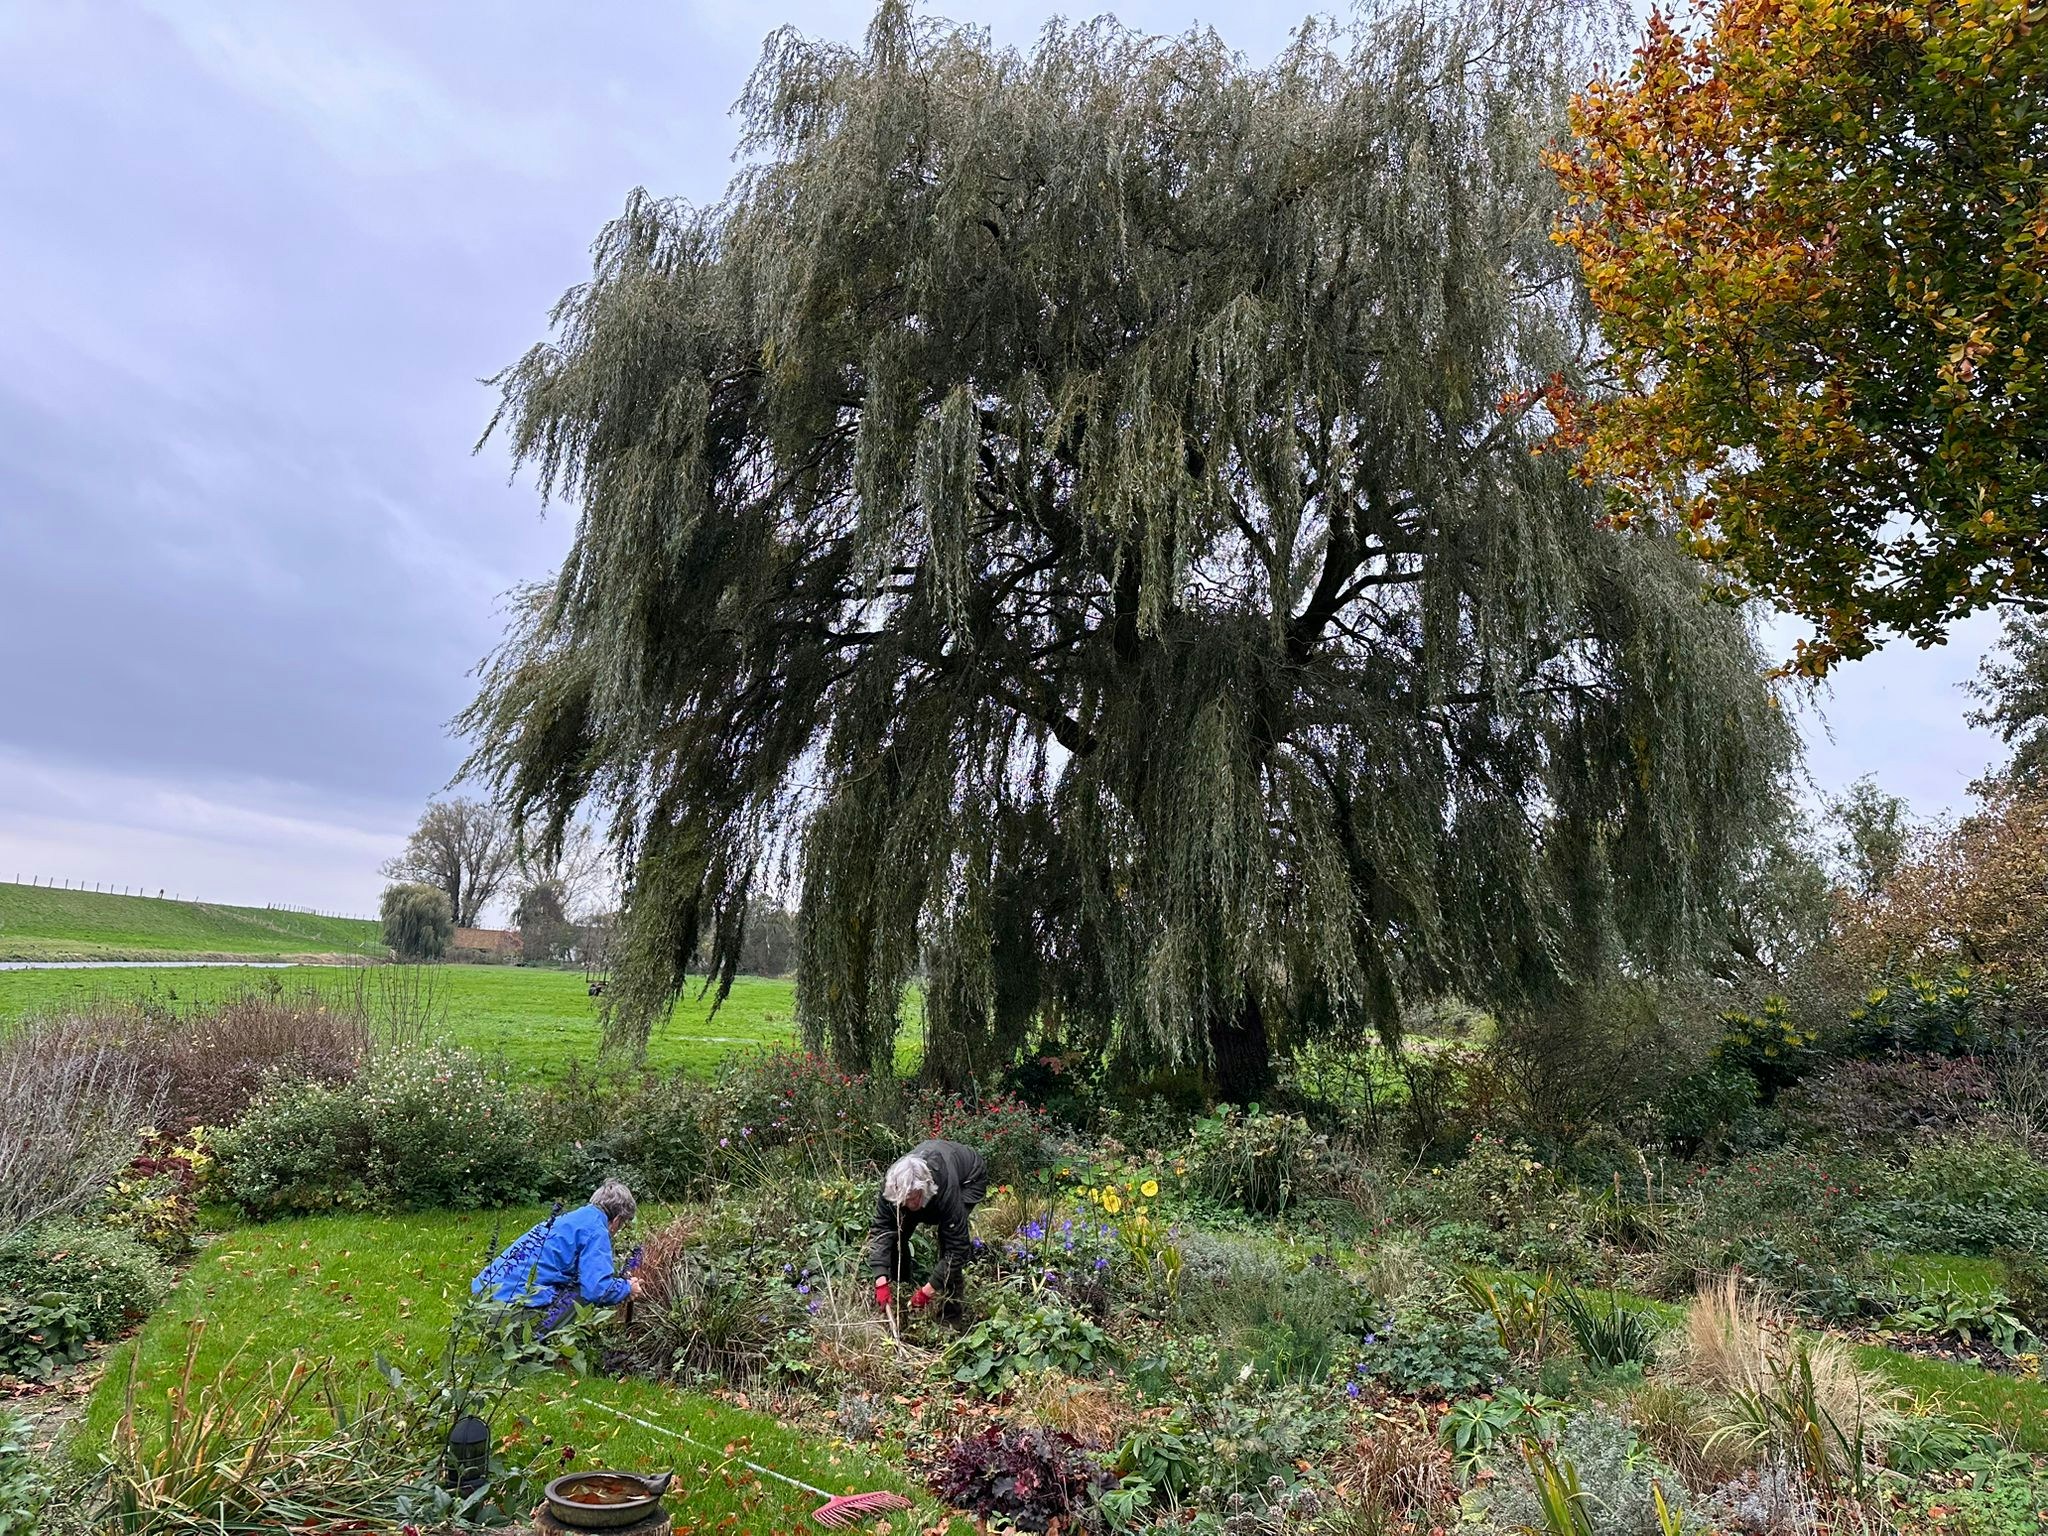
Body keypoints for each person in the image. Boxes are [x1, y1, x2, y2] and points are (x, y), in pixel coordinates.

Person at [473, 1178, 641, 1326]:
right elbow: (597, 1289)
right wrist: (626, 1288)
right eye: (622, 1224)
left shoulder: (572, 1219)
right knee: (578, 1292)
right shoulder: (596, 1230)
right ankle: (535, 1348)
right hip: (506, 1316)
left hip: (481, 1304)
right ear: (617, 1220)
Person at [866, 1138, 986, 1319]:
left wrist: (927, 1291)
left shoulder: (945, 1187)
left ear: (923, 1188)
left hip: (969, 1178)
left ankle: (951, 1315)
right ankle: (902, 1286)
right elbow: (882, 1229)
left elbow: (957, 1248)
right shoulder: (891, 1186)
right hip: (931, 1180)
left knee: (948, 1241)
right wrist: (880, 1279)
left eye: (914, 1198)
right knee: (897, 1235)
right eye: (905, 1200)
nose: (910, 1204)